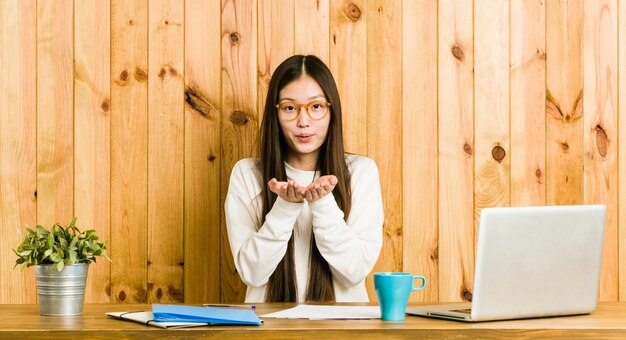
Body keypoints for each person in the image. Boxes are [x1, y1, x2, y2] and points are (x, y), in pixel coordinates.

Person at [225, 55, 383, 303]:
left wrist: (322, 205)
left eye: (316, 107)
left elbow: (354, 271)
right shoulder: (247, 174)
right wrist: (285, 208)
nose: (303, 121)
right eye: (290, 108)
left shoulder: (361, 171)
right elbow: (252, 274)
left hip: (345, 330)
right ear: (275, 114)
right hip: (267, 331)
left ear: (332, 111)